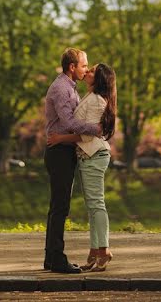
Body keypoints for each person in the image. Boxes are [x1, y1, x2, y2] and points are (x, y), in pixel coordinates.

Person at [48, 63, 117, 272]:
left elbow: (88, 134)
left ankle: (103, 250)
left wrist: (61, 138)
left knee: (97, 205)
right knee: (92, 206)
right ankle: (95, 251)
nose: (87, 72)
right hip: (88, 156)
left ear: (100, 78)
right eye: (88, 68)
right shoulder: (90, 95)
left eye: (93, 71)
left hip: (94, 155)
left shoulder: (96, 100)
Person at [43, 47, 102, 273]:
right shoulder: (61, 89)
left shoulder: (70, 88)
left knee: (57, 207)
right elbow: (69, 122)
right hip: (59, 153)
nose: (86, 69)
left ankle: (51, 258)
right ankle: (57, 260)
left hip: (63, 151)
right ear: (72, 67)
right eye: (84, 65)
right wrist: (96, 129)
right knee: (60, 208)